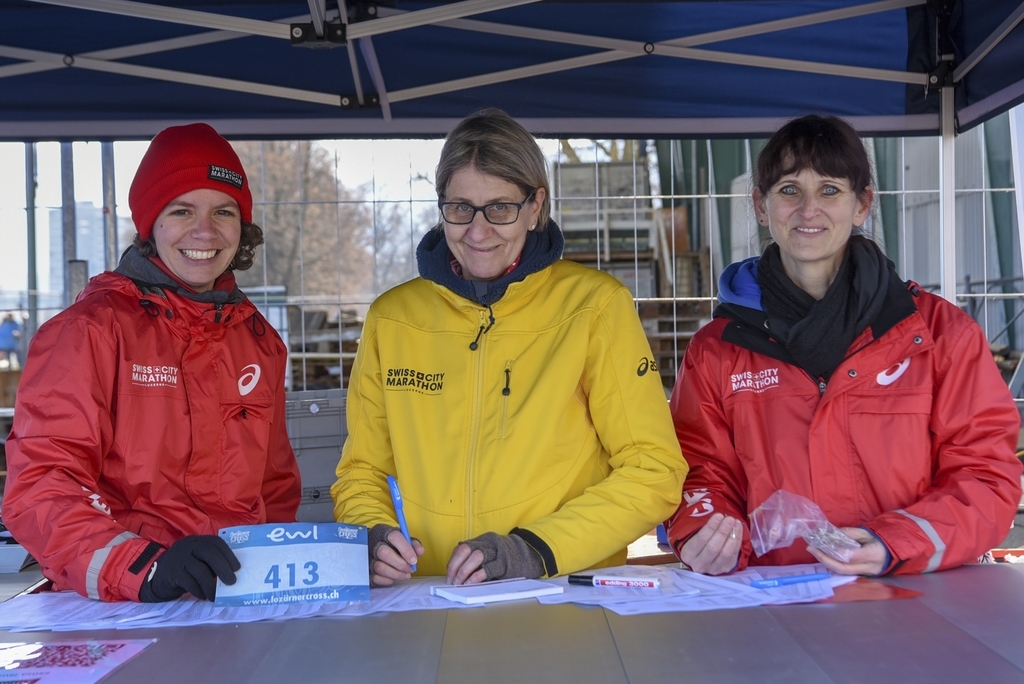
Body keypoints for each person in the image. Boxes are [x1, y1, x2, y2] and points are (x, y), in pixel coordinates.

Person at [331, 108, 687, 586]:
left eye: (500, 208)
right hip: (431, 599)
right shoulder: (393, 318)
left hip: (562, 596)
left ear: (535, 205)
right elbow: (361, 472)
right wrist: (370, 536)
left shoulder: (595, 307)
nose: (478, 232)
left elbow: (653, 470)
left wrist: (535, 551)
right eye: (460, 209)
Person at [666, 114, 1023, 577]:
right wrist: (703, 532)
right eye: (790, 189)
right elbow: (697, 471)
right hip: (767, 603)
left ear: (863, 205)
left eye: (830, 189)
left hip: (912, 596)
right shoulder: (716, 350)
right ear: (760, 205)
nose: (808, 209)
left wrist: (895, 542)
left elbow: (986, 475)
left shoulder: (939, 335)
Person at [2, 123, 301, 602]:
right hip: (120, 605)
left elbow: (276, 490)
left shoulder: (258, 340)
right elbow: (42, 485)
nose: (205, 231)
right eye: (182, 210)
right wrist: (145, 568)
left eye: (223, 211)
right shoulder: (89, 331)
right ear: (150, 224)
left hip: (231, 599)